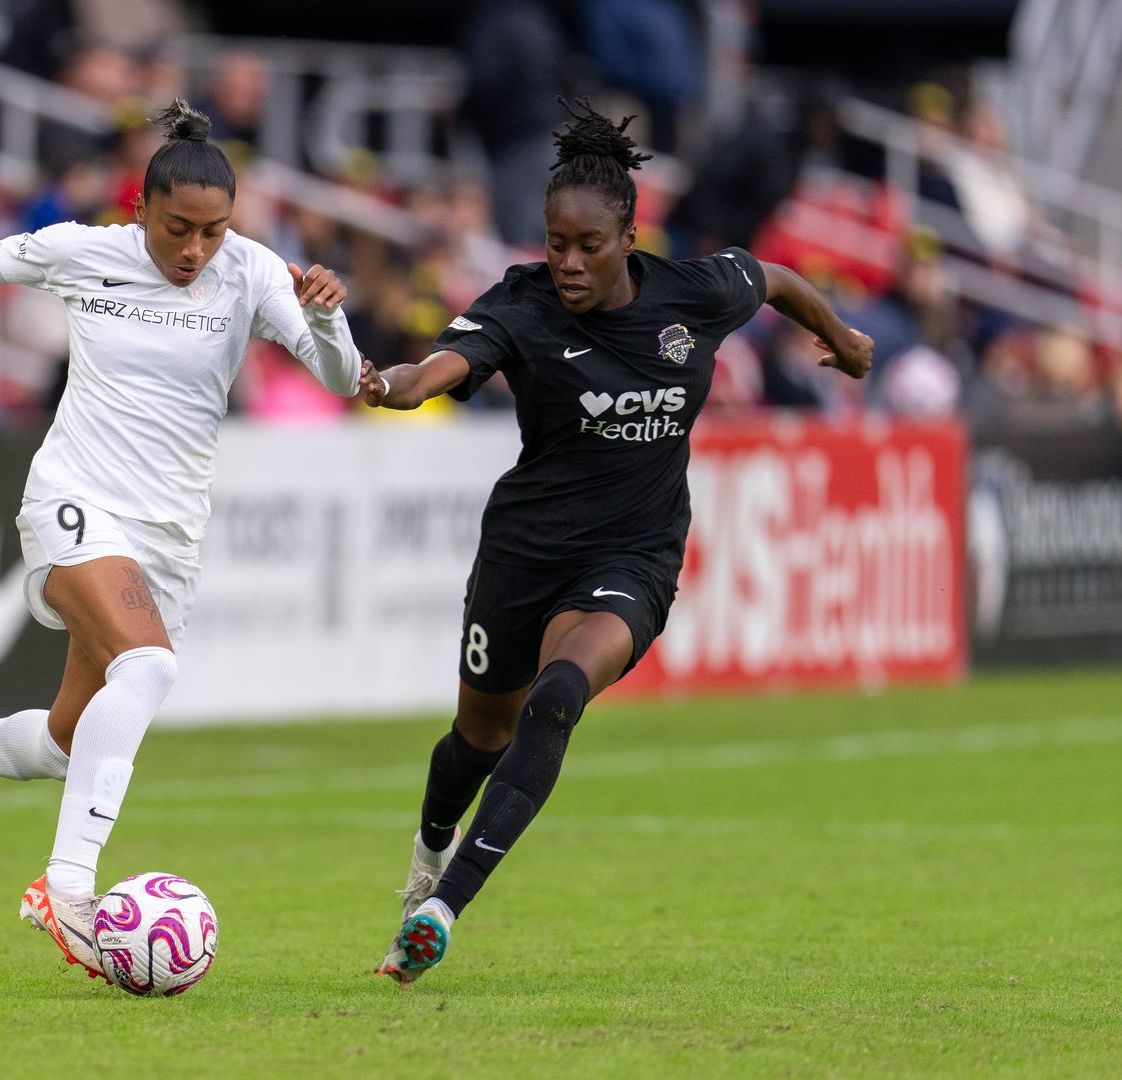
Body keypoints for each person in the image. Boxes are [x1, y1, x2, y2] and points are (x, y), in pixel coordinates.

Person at [0, 100, 362, 982]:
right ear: (140, 208)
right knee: (146, 671)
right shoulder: (86, 253)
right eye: (178, 228)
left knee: (70, 746)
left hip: (168, 536)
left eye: (212, 233)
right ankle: (66, 890)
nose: (194, 251)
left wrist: (329, 318)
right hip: (75, 502)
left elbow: (343, 380)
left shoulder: (253, 273)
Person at [362, 101, 873, 986]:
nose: (566, 262)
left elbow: (780, 279)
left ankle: (445, 909)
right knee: (478, 738)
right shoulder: (520, 306)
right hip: (525, 553)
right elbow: (440, 368)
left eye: (587, 246)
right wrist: (399, 384)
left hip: (634, 555)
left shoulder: (694, 296)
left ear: (629, 237)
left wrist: (848, 342)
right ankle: (427, 855)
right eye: (555, 242)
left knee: (559, 693)